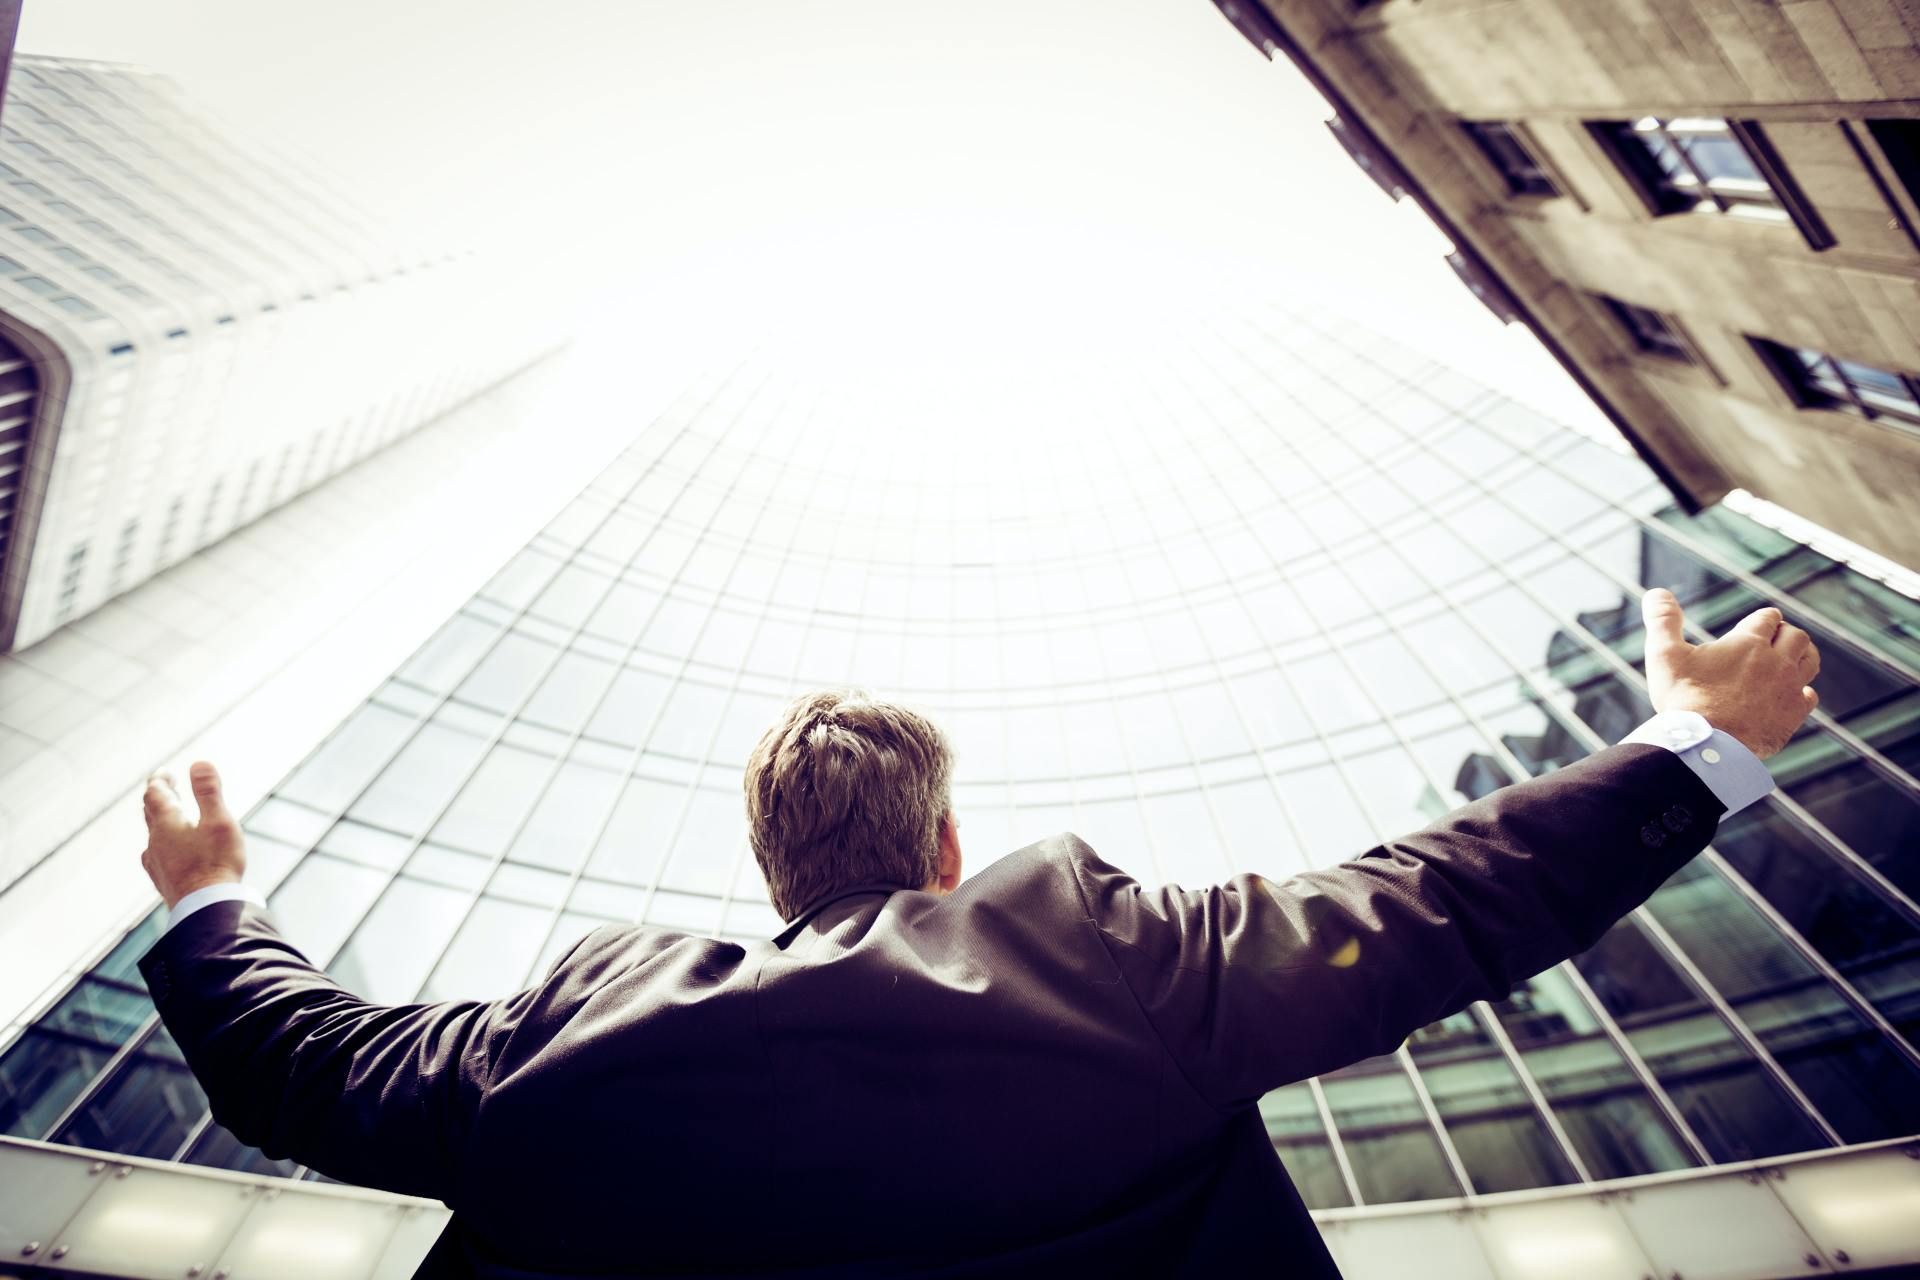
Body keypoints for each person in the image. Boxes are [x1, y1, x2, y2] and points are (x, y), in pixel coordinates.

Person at [136, 588, 1819, 1278]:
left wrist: (215, 894)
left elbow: (297, 1067)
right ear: (946, 847)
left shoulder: (563, 1041)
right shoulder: (1092, 951)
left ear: (773, 874)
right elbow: (1431, 903)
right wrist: (1690, 746)